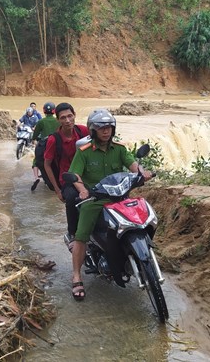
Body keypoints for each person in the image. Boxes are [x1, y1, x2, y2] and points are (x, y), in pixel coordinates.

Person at [66, 109, 152, 301]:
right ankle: (77, 276)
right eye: (101, 128)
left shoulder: (120, 149)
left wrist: (142, 173)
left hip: (120, 197)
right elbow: (76, 175)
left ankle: (141, 253)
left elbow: (132, 165)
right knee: (81, 236)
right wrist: (82, 189)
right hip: (95, 200)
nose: (106, 131)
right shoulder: (84, 152)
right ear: (93, 130)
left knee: (140, 219)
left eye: (109, 128)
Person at [43, 103, 89, 242]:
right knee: (72, 199)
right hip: (68, 180)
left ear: (75, 115)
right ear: (58, 120)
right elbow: (47, 164)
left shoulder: (83, 131)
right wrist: (57, 190)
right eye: (63, 118)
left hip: (86, 176)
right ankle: (72, 234)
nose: (67, 120)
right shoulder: (54, 139)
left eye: (70, 116)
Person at [30, 102, 59, 191]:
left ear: (44, 111)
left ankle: (36, 177)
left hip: (44, 146)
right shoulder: (58, 121)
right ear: (54, 111)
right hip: (57, 145)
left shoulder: (41, 121)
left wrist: (33, 139)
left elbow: (35, 135)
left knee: (36, 160)